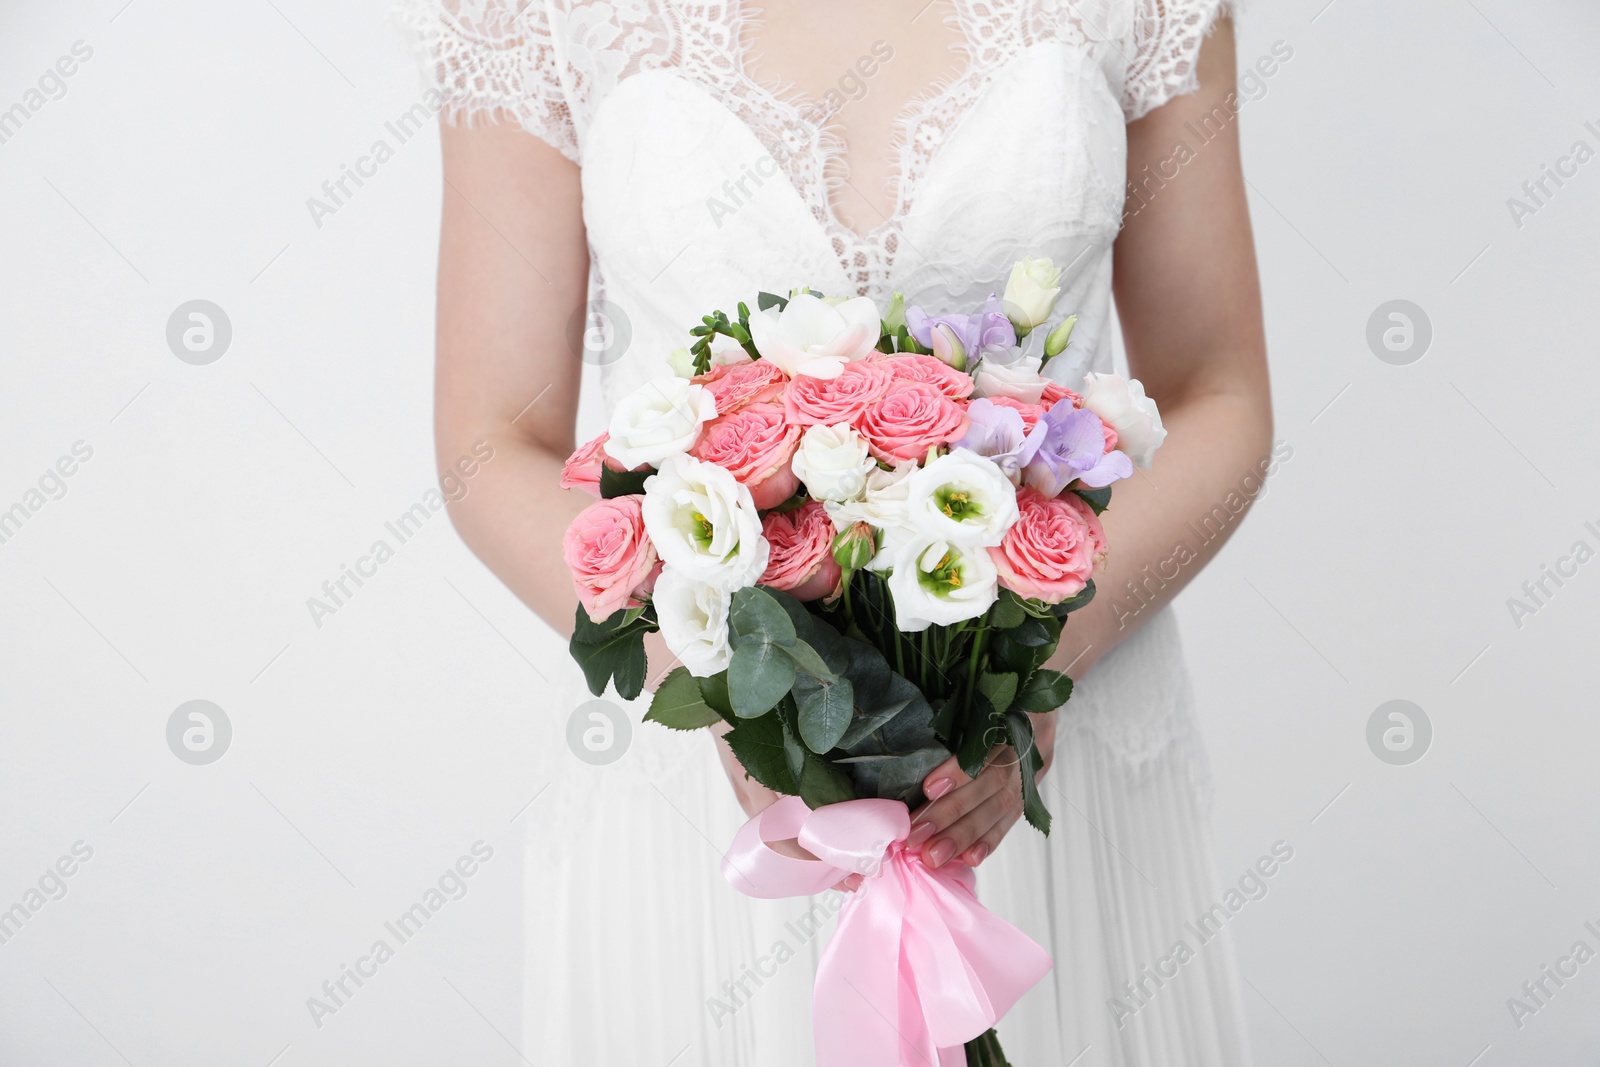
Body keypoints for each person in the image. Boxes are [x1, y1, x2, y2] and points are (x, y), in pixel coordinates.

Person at [401, 0, 1271, 1061]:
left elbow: (1217, 392)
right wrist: (732, 687)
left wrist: (1031, 679)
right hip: (711, 783)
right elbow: (493, 440)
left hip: (1048, 751)